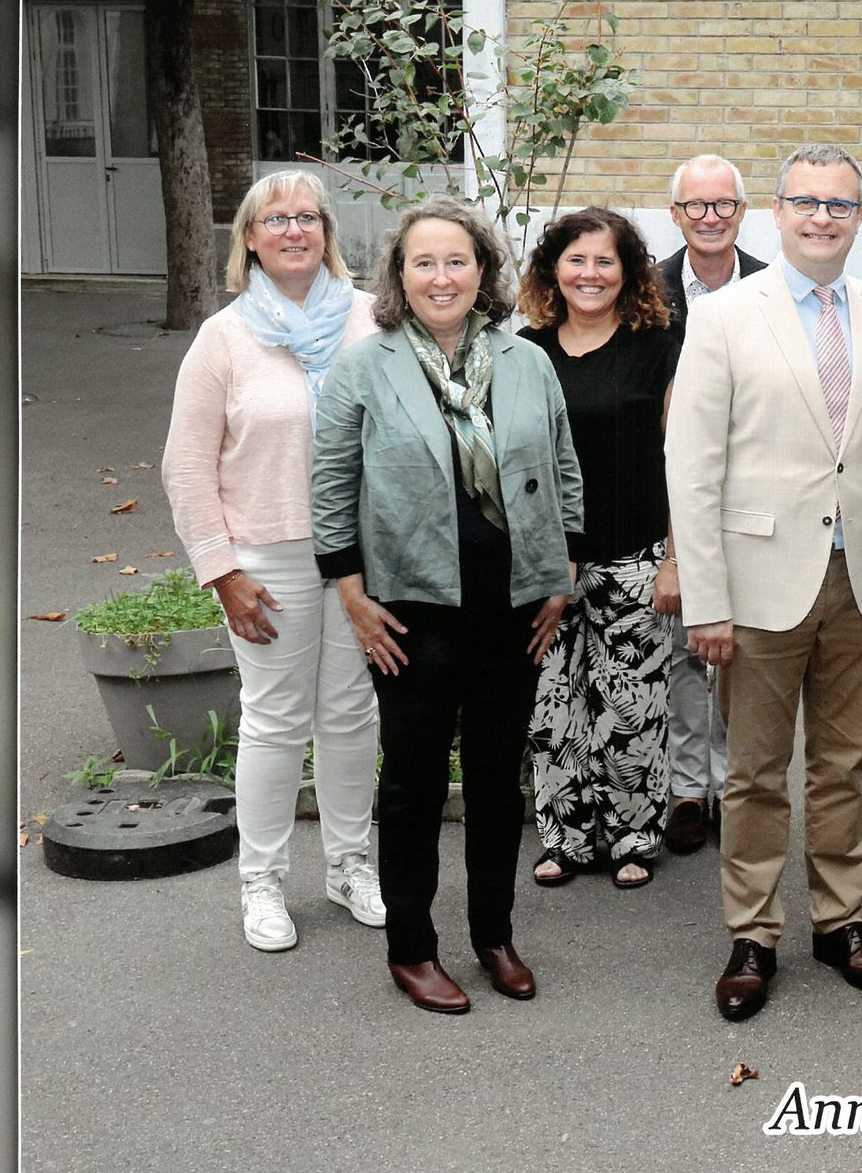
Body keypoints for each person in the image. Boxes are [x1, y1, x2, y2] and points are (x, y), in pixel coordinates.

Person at [667, 144, 862, 1023]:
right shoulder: (723, 317)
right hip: (757, 587)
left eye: (840, 205)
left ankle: (839, 920)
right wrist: (706, 599)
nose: (823, 218)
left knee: (844, 764)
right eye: (807, 202)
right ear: (777, 212)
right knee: (753, 773)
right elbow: (692, 468)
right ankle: (753, 932)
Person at [311, 197, 583, 1015]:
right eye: (423, 262)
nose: (441, 277)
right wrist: (352, 595)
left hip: (513, 603)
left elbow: (564, 468)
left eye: (457, 261)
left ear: (483, 271)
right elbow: (331, 486)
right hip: (409, 609)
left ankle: (494, 936)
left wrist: (561, 572)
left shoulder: (527, 361)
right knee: (414, 784)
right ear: (398, 275)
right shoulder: (365, 366)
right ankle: (412, 948)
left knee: (499, 782)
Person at [162, 170, 383, 953]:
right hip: (268, 556)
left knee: (351, 714)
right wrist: (222, 572)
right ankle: (261, 882)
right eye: (276, 219)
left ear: (327, 234)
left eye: (308, 217)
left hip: (363, 555)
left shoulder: (371, 320)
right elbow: (187, 467)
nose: (294, 230)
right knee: (276, 719)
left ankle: (350, 865)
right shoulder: (224, 337)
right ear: (250, 239)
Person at [518, 207, 680, 890]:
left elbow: (684, 460)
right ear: (553, 269)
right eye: (576, 260)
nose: (590, 274)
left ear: (628, 271)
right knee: (554, 707)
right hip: (546, 563)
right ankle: (565, 838)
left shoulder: (658, 347)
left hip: (634, 556)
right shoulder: (525, 352)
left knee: (631, 708)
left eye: (604, 261)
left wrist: (675, 558)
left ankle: (634, 837)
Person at [656, 155, 768, 856]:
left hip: (753, 494)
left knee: (739, 651)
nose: (710, 217)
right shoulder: (647, 290)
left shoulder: (771, 286)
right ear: (675, 215)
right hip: (676, 487)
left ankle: (731, 784)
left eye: (723, 204)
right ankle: (687, 790)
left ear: (742, 212)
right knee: (682, 651)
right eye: (695, 206)